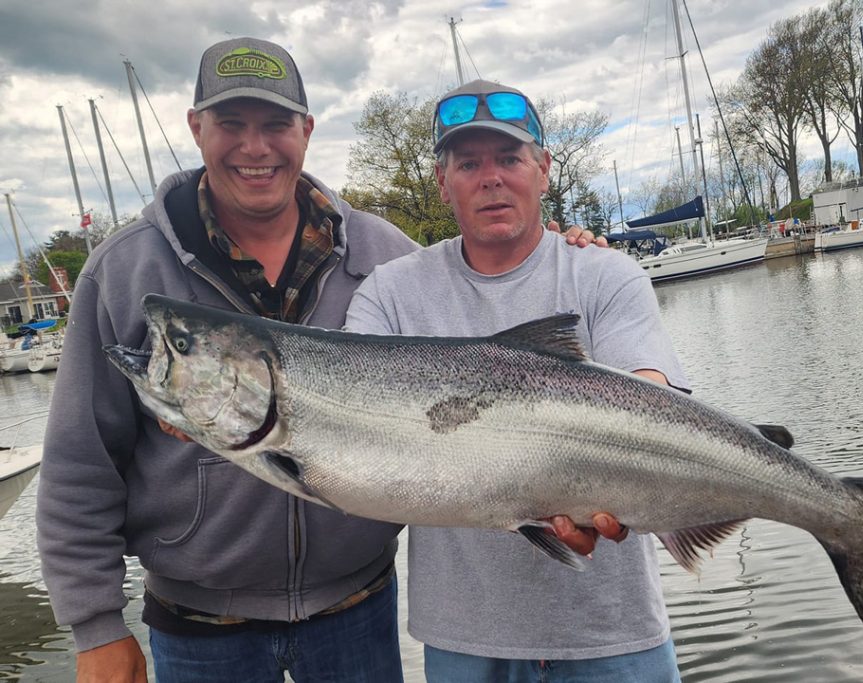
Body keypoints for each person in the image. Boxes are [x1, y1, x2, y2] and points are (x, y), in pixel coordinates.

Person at [36, 38, 606, 683]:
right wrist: (95, 626)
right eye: (231, 124)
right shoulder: (124, 271)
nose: (255, 147)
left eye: (276, 124)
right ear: (197, 128)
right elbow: (80, 463)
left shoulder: (387, 256)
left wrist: (559, 250)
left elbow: (492, 357)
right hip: (198, 627)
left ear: (306, 131)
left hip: (357, 612)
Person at [345, 79, 689, 682]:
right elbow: (346, 410)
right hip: (465, 640)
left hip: (613, 633)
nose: (491, 177)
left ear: (543, 170)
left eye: (509, 158)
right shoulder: (389, 294)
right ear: (442, 181)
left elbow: (650, 393)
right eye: (469, 163)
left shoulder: (607, 275)